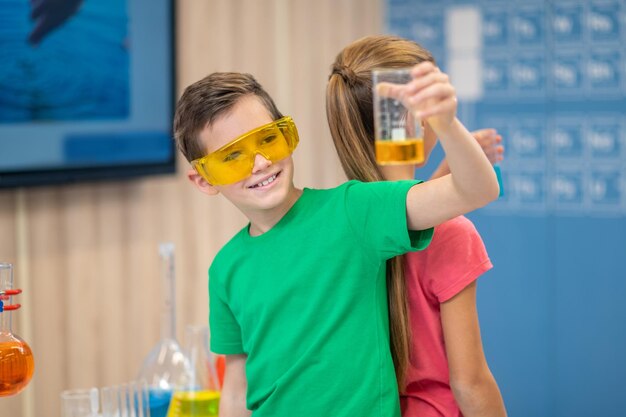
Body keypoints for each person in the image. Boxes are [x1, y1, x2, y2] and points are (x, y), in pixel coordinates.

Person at [174, 69, 498, 417]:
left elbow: (476, 189)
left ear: (288, 133)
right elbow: (237, 392)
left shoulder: (353, 212)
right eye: (232, 156)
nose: (261, 162)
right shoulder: (225, 270)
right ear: (204, 180)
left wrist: (446, 124)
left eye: (268, 139)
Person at [326, 35, 507, 417]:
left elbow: (403, 206)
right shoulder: (452, 234)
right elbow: (469, 382)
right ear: (415, 117)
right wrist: (453, 136)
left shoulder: (338, 219)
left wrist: (455, 159)